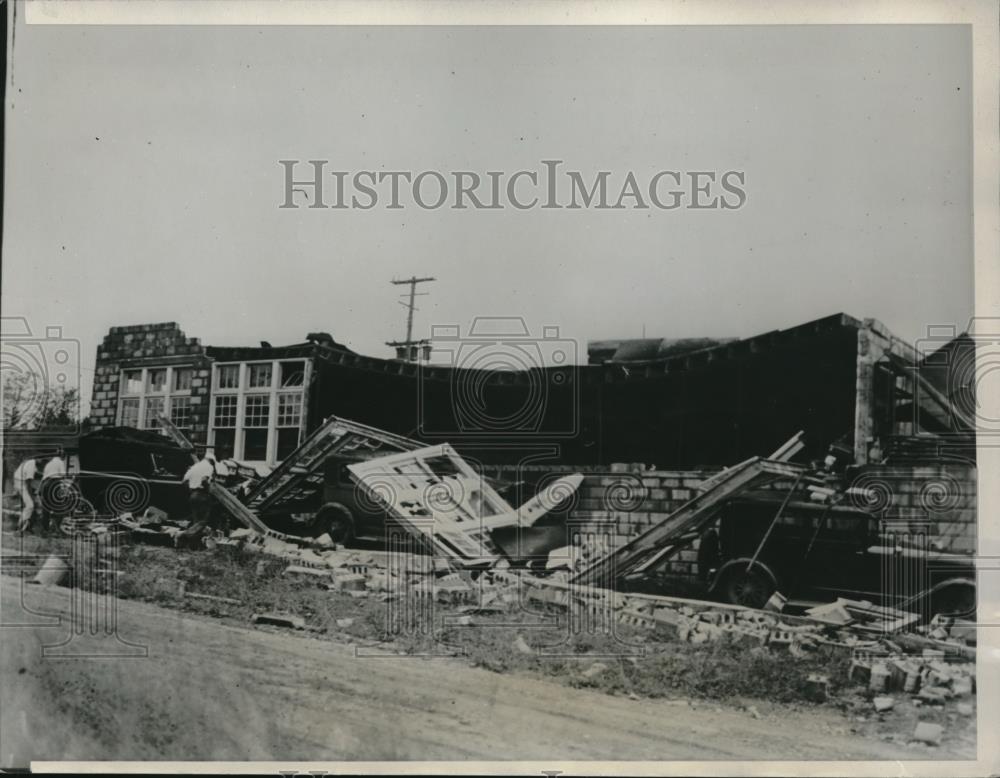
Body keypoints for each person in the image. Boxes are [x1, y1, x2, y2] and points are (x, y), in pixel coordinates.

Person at [176, 452, 217, 548]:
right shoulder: (209, 467)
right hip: (202, 495)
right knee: (203, 521)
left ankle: (192, 545)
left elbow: (184, 481)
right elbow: (204, 480)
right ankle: (183, 535)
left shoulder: (195, 466)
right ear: (211, 461)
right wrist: (208, 490)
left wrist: (192, 490)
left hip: (193, 495)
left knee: (196, 521)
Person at [38, 449, 69, 535]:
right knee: (60, 508)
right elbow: (62, 476)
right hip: (54, 483)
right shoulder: (60, 462)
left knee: (46, 508)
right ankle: (56, 529)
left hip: (45, 484)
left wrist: (40, 490)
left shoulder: (49, 464)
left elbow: (43, 478)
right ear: (61, 456)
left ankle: (45, 529)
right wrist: (65, 489)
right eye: (64, 457)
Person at [12, 457, 40, 533]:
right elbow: (28, 482)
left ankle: (27, 526)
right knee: (30, 505)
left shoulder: (31, 462)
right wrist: (30, 495)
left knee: (29, 505)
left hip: (19, 481)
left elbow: (35, 474)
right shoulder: (32, 464)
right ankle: (19, 526)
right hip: (21, 483)